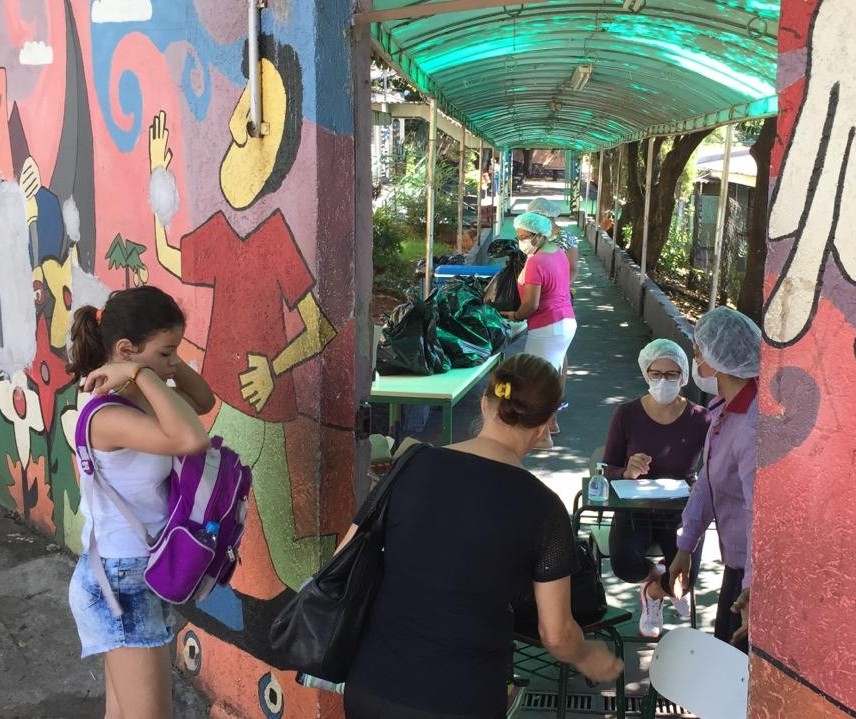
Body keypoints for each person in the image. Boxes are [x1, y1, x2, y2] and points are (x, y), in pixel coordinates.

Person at [343, 354, 623, 718]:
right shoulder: (544, 509)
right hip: (463, 698)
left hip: (372, 687)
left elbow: (345, 556)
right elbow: (555, 634)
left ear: (484, 404)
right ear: (546, 424)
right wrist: (587, 655)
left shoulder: (412, 463)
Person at [66, 286, 214, 719]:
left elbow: (202, 402)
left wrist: (153, 370)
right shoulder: (108, 414)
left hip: (133, 571)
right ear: (126, 350)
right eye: (167, 353)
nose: (174, 365)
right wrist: (143, 373)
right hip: (122, 579)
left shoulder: (141, 402)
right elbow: (192, 438)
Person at [602, 339, 710, 638]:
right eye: (656, 373)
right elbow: (605, 468)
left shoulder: (700, 417)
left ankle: (654, 593)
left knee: (686, 578)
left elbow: (715, 465)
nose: (663, 381)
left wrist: (703, 483)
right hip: (635, 508)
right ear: (646, 373)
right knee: (624, 565)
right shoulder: (627, 414)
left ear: (684, 375)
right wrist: (627, 470)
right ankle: (661, 578)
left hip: (680, 510)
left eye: (671, 374)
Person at [669, 306, 760, 653]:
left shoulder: (752, 424)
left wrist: (752, 588)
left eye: (697, 354)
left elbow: (759, 514)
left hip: (751, 579)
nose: (696, 362)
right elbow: (707, 482)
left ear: (718, 361)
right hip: (737, 567)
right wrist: (685, 546)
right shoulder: (723, 409)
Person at [501, 212, 576, 448]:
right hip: (564, 322)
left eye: (524, 236)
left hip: (547, 327)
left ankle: (543, 436)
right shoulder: (557, 253)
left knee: (535, 381)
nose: (520, 241)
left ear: (538, 235)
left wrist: (514, 316)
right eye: (518, 236)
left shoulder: (536, 261)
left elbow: (531, 305)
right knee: (549, 377)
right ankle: (550, 424)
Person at [525, 198, 579, 436]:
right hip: (553, 299)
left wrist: (559, 289)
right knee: (556, 356)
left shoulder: (563, 239)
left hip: (557, 300)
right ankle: (551, 410)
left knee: (555, 358)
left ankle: (550, 412)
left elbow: (573, 269)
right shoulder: (541, 239)